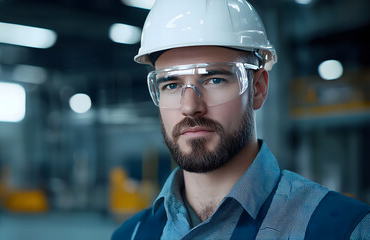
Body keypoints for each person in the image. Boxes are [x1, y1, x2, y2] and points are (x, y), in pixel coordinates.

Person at [112, 0, 370, 239]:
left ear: (258, 88)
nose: (190, 107)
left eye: (215, 80)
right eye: (171, 84)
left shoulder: (346, 229)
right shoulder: (131, 235)